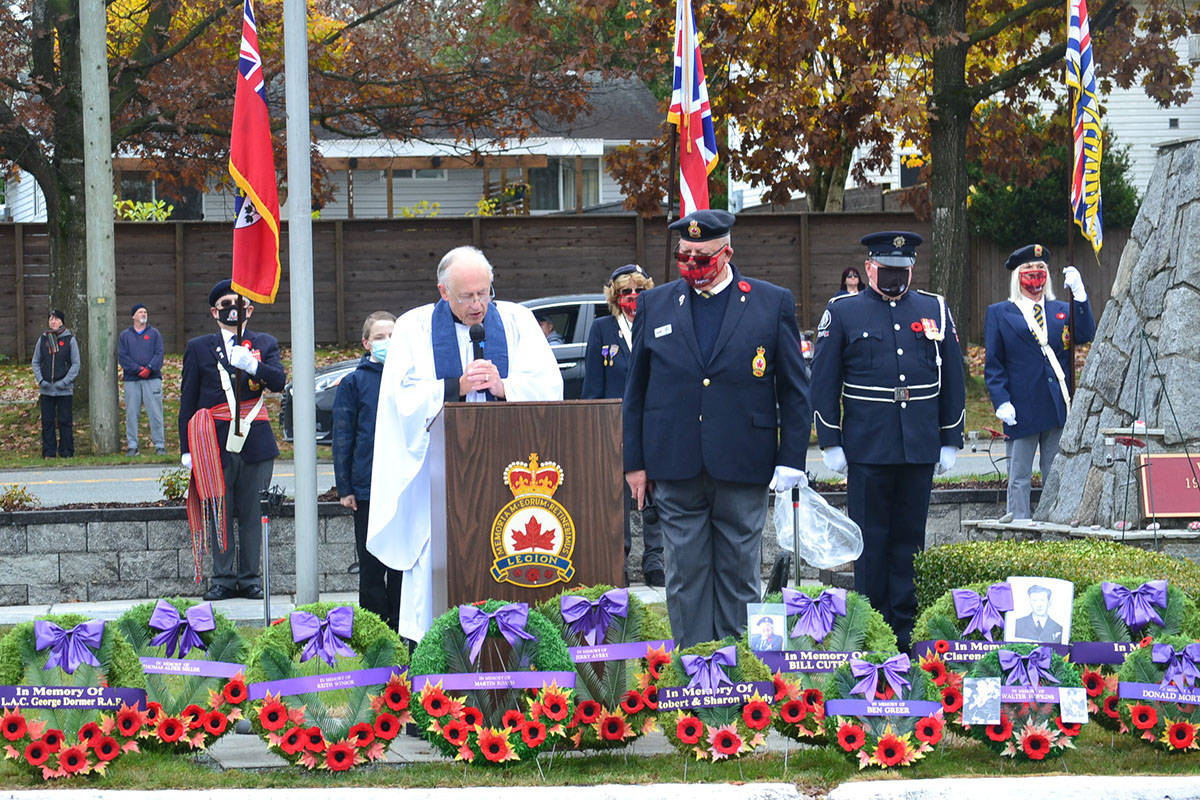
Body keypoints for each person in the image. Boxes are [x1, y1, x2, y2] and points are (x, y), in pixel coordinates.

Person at [623, 209, 812, 648]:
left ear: (727, 252)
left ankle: (735, 671)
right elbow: (637, 391)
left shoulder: (771, 301)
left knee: (739, 576)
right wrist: (635, 463)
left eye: (703, 257)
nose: (693, 267)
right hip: (675, 462)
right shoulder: (656, 303)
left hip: (744, 463)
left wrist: (791, 460)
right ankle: (691, 672)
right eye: (684, 257)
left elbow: (795, 391)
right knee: (684, 577)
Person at [367, 246, 563, 642]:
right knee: (437, 558)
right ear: (443, 292)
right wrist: (455, 386)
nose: (478, 306)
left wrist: (504, 385)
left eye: (484, 293)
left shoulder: (517, 320)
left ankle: (510, 640)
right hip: (439, 472)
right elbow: (398, 401)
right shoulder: (413, 327)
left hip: (507, 464)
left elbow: (550, 385)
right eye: (467, 297)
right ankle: (433, 648)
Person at [810, 231, 965, 651]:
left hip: (917, 444)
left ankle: (907, 630)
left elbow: (953, 374)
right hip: (868, 446)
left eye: (903, 271)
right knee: (871, 541)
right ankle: (873, 630)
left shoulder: (933, 307)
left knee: (909, 540)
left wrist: (950, 436)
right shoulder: (844, 311)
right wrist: (831, 440)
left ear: (911, 269)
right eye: (887, 271)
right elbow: (823, 380)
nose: (896, 279)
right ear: (869, 269)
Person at [179, 280, 287, 601]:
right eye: (225, 304)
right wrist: (187, 448)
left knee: (254, 512)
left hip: (256, 440)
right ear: (214, 312)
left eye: (238, 304)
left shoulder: (264, 343)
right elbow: (188, 400)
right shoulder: (199, 347)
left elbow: (279, 382)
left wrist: (253, 365)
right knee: (219, 510)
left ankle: (250, 578)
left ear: (249, 311)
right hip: (213, 443)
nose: (231, 309)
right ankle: (223, 578)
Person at [984, 244, 1095, 522]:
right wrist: (1001, 401)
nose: (1036, 279)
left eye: (1041, 272)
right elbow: (994, 365)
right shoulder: (1000, 313)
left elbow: (1085, 334)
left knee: (1054, 472)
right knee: (1019, 476)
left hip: (1056, 404)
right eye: (1029, 273)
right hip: (1021, 406)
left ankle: (1052, 525)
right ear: (1018, 277)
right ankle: (1019, 527)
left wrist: (1080, 297)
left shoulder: (1061, 309)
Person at [582, 263, 664, 588]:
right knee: (617, 498)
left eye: (639, 291)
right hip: (614, 427)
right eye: (626, 292)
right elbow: (593, 384)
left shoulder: (658, 324)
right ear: (616, 297)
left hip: (651, 425)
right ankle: (619, 561)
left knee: (653, 494)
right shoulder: (602, 329)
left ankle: (655, 560)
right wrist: (595, 427)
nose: (633, 297)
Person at [333, 311, 402, 630]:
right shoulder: (354, 382)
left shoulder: (409, 378)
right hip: (368, 485)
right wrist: (345, 487)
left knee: (402, 562)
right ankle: (376, 627)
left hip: (404, 485)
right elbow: (343, 436)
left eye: (393, 335)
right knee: (372, 562)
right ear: (366, 343)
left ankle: (402, 626)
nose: (387, 342)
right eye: (379, 337)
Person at [118, 303, 167, 456]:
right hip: (132, 381)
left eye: (145, 311)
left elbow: (159, 354)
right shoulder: (125, 336)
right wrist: (138, 369)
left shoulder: (155, 334)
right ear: (133, 316)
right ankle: (132, 446)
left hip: (152, 380)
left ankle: (160, 445)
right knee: (132, 414)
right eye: (140, 312)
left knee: (156, 414)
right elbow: (123, 357)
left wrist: (150, 368)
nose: (143, 314)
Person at [32, 309, 80, 459]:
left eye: (56, 319)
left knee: (65, 421)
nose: (53, 322)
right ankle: (49, 452)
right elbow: (36, 361)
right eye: (51, 319)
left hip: (64, 389)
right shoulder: (43, 339)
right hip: (46, 389)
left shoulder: (69, 340)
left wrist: (65, 381)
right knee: (47, 422)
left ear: (62, 321)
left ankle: (67, 452)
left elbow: (75, 364)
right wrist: (41, 380)